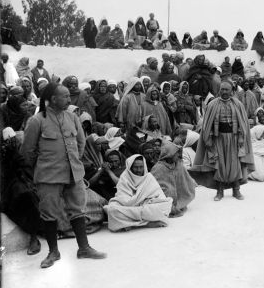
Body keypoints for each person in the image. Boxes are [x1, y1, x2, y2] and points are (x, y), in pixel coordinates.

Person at [21, 83, 106, 268]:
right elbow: (27, 151)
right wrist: (44, 166)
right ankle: (53, 252)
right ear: (53, 99)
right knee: (49, 213)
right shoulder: (37, 121)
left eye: (69, 96)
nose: (69, 99)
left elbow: (81, 143)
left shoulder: (72, 117)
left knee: (78, 210)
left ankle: (84, 248)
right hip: (48, 177)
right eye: (65, 96)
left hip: (73, 174)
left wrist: (73, 161)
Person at [190, 80, 254, 201]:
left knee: (234, 163)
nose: (224, 92)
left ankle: (236, 190)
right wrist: (208, 139)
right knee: (218, 164)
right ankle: (220, 191)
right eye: (222, 89)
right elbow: (206, 125)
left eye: (227, 90)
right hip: (217, 138)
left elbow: (243, 123)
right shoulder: (212, 104)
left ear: (232, 91)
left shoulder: (238, 104)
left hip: (234, 138)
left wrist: (241, 137)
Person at [105, 154, 173, 231]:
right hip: (128, 206)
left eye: (141, 167)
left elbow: (160, 196)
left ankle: (129, 223)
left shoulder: (148, 177)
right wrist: (136, 202)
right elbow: (122, 198)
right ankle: (147, 222)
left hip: (144, 206)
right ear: (130, 167)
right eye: (136, 167)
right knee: (112, 210)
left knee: (164, 206)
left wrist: (147, 202)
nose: (139, 170)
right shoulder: (124, 178)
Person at [150, 141, 196, 217]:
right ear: (170, 154)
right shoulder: (158, 168)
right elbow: (153, 189)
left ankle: (178, 203)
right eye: (176, 153)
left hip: (179, 198)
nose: (178, 155)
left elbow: (186, 179)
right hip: (165, 200)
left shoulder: (179, 164)